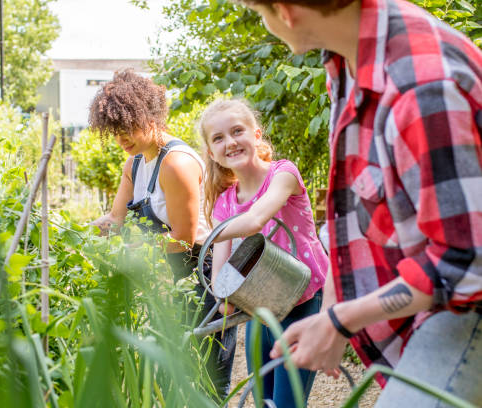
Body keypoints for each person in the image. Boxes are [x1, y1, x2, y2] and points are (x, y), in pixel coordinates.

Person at [237, 0, 482, 405]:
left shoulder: (421, 86)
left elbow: (467, 263)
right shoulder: (348, 58)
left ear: (285, 12)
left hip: (465, 305)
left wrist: (340, 321)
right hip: (434, 300)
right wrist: (330, 315)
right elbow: (348, 209)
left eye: (260, 13)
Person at [87, 70, 237, 400]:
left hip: (205, 275)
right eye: (115, 132)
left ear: (149, 116)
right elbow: (116, 218)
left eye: (127, 128)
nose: (121, 139)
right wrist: (83, 235)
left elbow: (183, 238)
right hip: (172, 275)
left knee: (208, 379)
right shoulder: (135, 164)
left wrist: (136, 253)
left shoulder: (176, 164)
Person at [199, 98, 329, 407]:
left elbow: (256, 220)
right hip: (261, 311)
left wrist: (211, 234)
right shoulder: (224, 204)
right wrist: (225, 298)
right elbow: (220, 283)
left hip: (303, 303)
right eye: (218, 138)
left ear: (257, 135)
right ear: (211, 152)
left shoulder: (283, 175)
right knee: (264, 402)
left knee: (287, 404)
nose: (230, 142)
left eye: (237, 131)